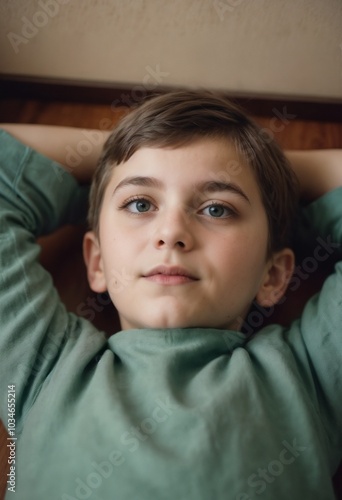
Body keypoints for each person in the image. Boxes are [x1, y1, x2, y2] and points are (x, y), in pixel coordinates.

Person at [0, 90, 341, 500]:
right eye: (140, 204)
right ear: (97, 262)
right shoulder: (43, 370)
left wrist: (272, 172)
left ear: (273, 275)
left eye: (217, 208)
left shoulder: (311, 376)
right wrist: (116, 154)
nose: (171, 233)